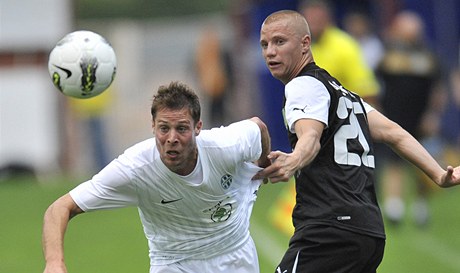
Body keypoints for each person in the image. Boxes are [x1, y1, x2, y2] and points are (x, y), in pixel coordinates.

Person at [256, 10, 460, 272]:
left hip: (329, 231)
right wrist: (438, 174)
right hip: (368, 231)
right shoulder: (344, 94)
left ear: (305, 43)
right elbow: (393, 132)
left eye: (279, 42)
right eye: (265, 44)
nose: (270, 52)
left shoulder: (302, 86)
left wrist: (294, 159)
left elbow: (311, 137)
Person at [42, 81, 271, 273]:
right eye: (164, 128)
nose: (171, 138)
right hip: (174, 262)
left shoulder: (225, 145)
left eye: (181, 128)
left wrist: (264, 165)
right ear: (153, 127)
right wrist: (54, 263)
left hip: (234, 252)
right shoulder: (135, 167)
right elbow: (59, 208)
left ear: (198, 127)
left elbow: (258, 128)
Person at [376, 11, 443, 227]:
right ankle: (394, 208)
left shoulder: (429, 55)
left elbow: (437, 89)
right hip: (394, 117)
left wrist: (433, 115)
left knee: (423, 162)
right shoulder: (387, 54)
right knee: (393, 162)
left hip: (421, 119)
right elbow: (374, 83)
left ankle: (421, 207)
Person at [299, 0, 380, 105]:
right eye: (309, 20)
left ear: (327, 18)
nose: (313, 24)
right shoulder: (299, 46)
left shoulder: (345, 46)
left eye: (317, 19)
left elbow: (367, 93)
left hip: (341, 116)